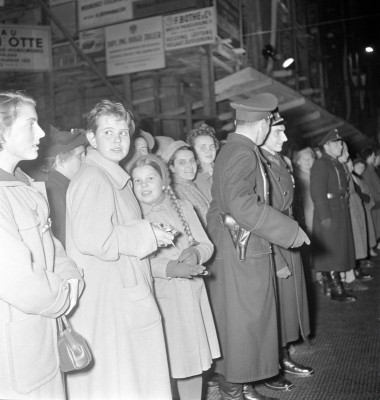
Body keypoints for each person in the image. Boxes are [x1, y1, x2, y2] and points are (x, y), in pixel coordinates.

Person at [65, 100, 173, 400]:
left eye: (123, 133)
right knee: (120, 382)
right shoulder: (94, 178)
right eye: (108, 132)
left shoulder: (109, 176)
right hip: (110, 301)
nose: (117, 140)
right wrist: (147, 232)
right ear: (91, 138)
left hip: (118, 295)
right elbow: (93, 239)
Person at [206, 93, 310, 400]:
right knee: (244, 324)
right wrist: (288, 231)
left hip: (243, 245)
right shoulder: (242, 152)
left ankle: (239, 388)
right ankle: (233, 390)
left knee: (245, 324)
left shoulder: (237, 148)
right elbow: (241, 204)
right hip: (243, 250)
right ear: (263, 123)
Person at [0, 91, 83, 400]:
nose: (42, 133)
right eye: (30, 123)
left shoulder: (20, 182)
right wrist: (63, 297)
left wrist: (71, 277)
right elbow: (16, 278)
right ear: (2, 130)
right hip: (15, 341)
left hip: (38, 332)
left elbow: (50, 245)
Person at [130, 154, 220, 400]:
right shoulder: (134, 217)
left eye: (150, 178)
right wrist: (169, 268)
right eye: (137, 181)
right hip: (162, 299)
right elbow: (136, 261)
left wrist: (195, 252)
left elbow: (206, 244)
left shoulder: (183, 207)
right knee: (165, 365)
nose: (144, 185)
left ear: (163, 181)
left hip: (191, 296)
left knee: (191, 363)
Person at [259, 116, 313, 392]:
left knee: (289, 303)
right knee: (276, 306)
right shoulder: (257, 163)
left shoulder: (278, 160)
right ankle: (272, 365)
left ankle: (283, 355)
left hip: (287, 235)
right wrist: (276, 257)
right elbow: (258, 215)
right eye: (278, 132)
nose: (284, 138)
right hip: (273, 240)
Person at [310, 129, 356, 302]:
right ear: (327, 145)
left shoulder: (335, 163)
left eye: (341, 142)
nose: (341, 146)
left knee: (337, 249)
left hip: (340, 209)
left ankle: (332, 285)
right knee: (331, 251)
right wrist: (324, 216)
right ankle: (336, 288)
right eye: (337, 143)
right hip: (329, 212)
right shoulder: (321, 164)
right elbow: (317, 192)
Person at [41, 125, 87, 247]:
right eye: (80, 156)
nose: (85, 160)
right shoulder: (55, 192)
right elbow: (65, 240)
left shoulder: (62, 187)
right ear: (60, 161)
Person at [337, 144, 370, 291]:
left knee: (356, 241)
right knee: (352, 242)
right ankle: (350, 277)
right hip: (348, 209)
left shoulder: (344, 170)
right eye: (345, 152)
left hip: (353, 207)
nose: (348, 154)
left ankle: (353, 273)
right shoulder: (340, 169)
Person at [162, 140, 210, 227]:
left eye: (192, 161)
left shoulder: (189, 184)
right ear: (172, 167)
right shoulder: (176, 191)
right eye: (182, 163)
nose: (190, 166)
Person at [186, 123, 220, 202]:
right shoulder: (194, 178)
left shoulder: (222, 170)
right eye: (203, 147)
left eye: (212, 146)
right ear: (193, 150)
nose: (209, 151)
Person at [352, 158, 377, 258]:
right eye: (359, 166)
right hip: (361, 205)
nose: (361, 169)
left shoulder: (361, 178)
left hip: (366, 206)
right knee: (365, 230)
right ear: (353, 166)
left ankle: (370, 249)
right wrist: (367, 198)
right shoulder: (353, 178)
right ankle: (367, 252)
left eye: (363, 167)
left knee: (369, 229)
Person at [361, 146, 380, 248]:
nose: (375, 157)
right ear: (369, 156)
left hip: (377, 198)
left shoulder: (371, 169)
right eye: (374, 155)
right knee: (376, 222)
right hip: (375, 200)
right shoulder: (367, 170)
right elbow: (370, 187)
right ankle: (376, 242)